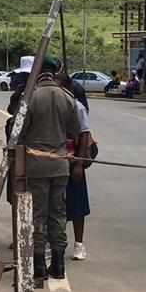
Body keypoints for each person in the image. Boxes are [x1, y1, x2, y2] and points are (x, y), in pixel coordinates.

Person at [17, 53, 81, 281]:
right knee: (58, 214)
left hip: (36, 166)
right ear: (55, 72)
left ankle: (39, 267)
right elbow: (74, 130)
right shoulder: (67, 97)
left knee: (38, 215)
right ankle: (58, 264)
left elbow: (20, 133)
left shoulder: (31, 97)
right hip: (60, 164)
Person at [57, 73, 94, 261]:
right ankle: (54, 242)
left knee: (77, 204)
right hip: (53, 163)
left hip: (72, 162)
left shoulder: (77, 107)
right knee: (55, 205)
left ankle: (79, 244)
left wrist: (79, 163)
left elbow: (84, 135)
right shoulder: (52, 106)